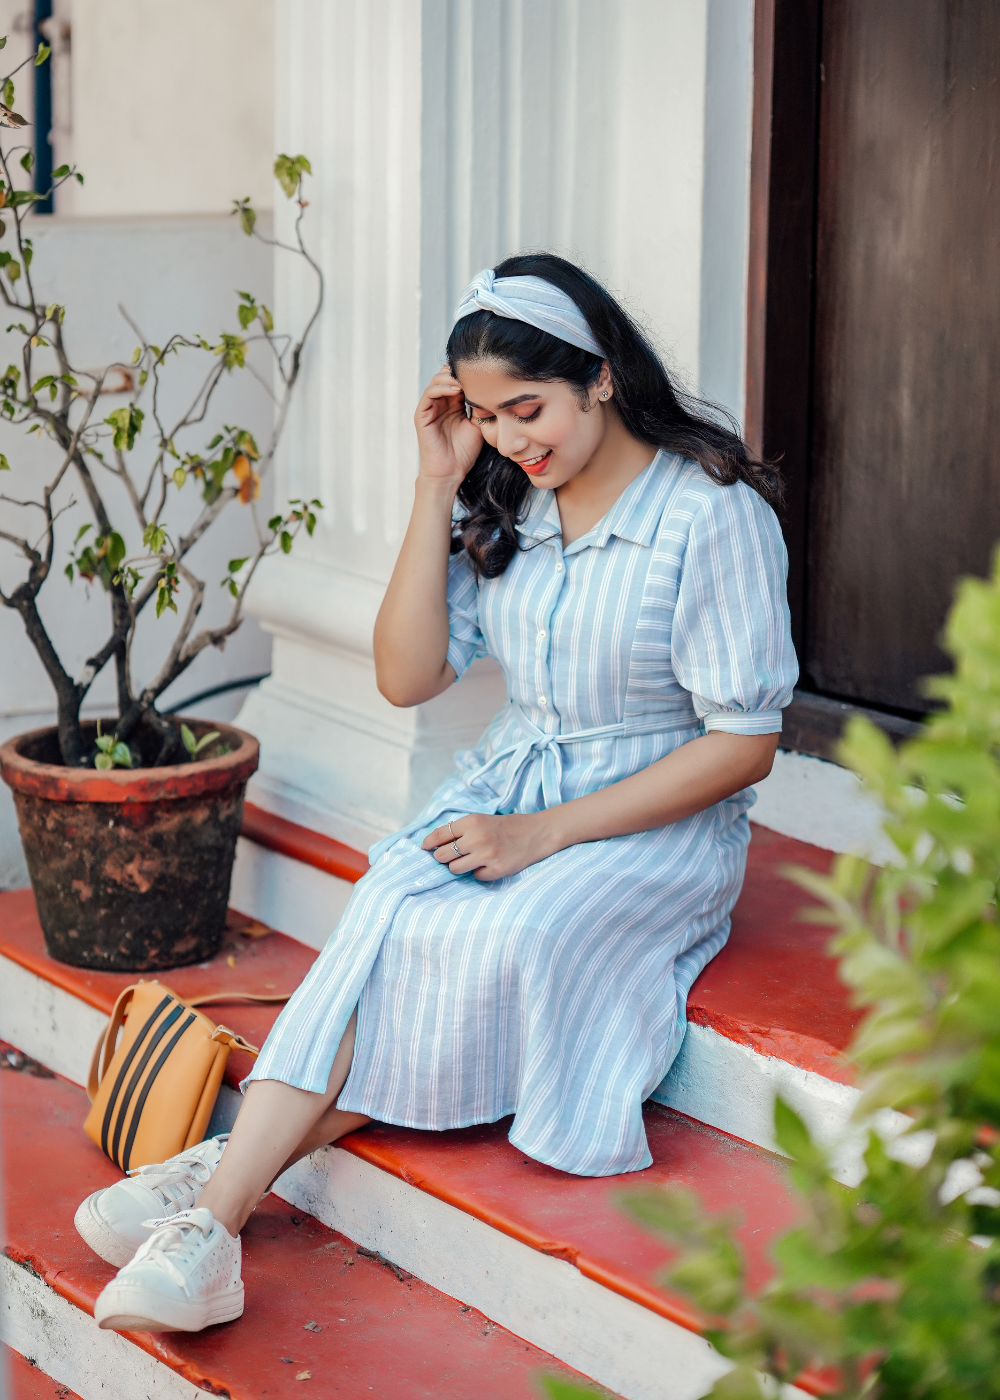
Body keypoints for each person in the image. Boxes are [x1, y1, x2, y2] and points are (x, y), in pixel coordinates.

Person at [78, 253, 798, 1334]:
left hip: (655, 819)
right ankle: (218, 1211)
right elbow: (407, 675)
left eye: (530, 406)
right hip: (514, 788)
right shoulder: (509, 503)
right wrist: (434, 483)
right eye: (488, 414)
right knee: (386, 910)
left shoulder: (709, 515)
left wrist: (540, 834)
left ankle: (214, 1184)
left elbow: (743, 745)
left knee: (516, 933)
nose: (513, 437)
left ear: (601, 376)